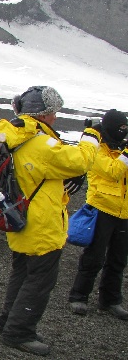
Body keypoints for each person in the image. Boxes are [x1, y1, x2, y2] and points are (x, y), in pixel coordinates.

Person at [0, 86, 101, 356]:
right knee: (39, 279)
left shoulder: (16, 136)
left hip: (17, 215)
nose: (55, 117)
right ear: (43, 114)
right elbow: (79, 162)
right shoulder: (41, 143)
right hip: (40, 223)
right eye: (53, 111)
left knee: (21, 272)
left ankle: (9, 321)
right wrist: (90, 137)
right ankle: (19, 331)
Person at [68, 109, 128, 321]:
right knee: (94, 256)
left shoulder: (120, 150)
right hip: (101, 208)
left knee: (118, 259)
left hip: (123, 210)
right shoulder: (97, 150)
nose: (123, 132)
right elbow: (113, 171)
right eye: (120, 128)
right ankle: (79, 296)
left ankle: (110, 300)